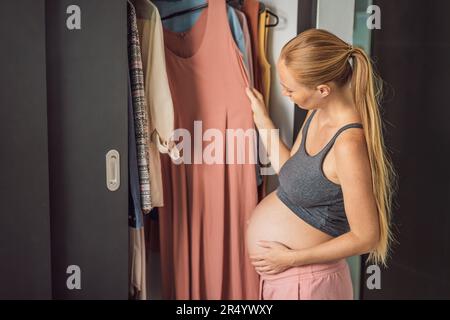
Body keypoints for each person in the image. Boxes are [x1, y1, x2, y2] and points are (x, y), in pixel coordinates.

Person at [245, 28, 395, 300]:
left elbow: (367, 236)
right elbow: (293, 175)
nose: (284, 93)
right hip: (290, 279)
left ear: (323, 89)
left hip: (309, 282)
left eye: (289, 89)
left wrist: (292, 258)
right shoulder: (317, 112)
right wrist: (262, 121)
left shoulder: (348, 144)